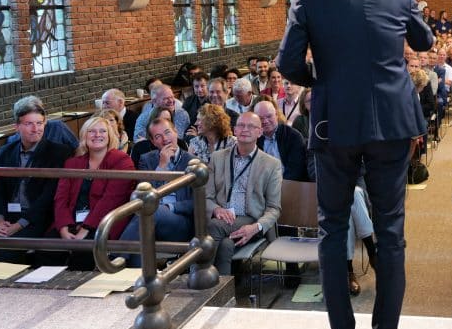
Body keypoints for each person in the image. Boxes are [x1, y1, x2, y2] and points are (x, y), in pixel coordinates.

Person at [276, 0, 434, 329]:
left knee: (331, 229)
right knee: (390, 232)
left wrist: (323, 81)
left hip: (334, 126)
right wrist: (412, 11)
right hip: (390, 125)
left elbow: (287, 65)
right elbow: (423, 43)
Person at [0, 97, 72, 262]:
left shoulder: (59, 153)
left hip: (36, 217)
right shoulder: (5, 151)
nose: (36, 129)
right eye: (29, 124)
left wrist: (18, 226)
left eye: (39, 123)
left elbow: (48, 198)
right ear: (17, 127)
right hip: (7, 216)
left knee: (6, 252)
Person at [205, 112, 283, 277]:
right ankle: (224, 297)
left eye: (251, 126)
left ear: (259, 132)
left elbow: (274, 208)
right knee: (226, 245)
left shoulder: (271, 164)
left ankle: (199, 277)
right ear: (234, 130)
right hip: (223, 217)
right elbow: (206, 197)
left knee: (213, 226)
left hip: (252, 219)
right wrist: (217, 210)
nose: (245, 129)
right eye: (241, 125)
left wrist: (256, 227)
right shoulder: (217, 158)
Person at [51, 116, 136, 268]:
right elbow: (60, 199)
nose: (97, 135)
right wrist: (63, 227)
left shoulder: (122, 161)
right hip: (71, 221)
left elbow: (110, 200)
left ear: (110, 136)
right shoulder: (72, 163)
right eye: (92, 131)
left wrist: (86, 228)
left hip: (103, 222)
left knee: (83, 252)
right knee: (47, 249)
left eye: (103, 131)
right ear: (84, 136)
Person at [119, 117, 196, 266]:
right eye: (158, 136)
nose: (165, 139)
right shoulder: (146, 160)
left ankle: (115, 257)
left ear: (176, 132)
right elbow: (143, 194)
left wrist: (169, 208)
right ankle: (138, 280)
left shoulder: (192, 161)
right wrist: (161, 167)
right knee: (143, 232)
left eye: (167, 132)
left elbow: (196, 202)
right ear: (153, 142)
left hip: (179, 222)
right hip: (150, 220)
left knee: (151, 212)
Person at [254, 98, 308, 181]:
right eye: (260, 118)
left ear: (276, 115)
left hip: (287, 186)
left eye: (269, 116)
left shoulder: (293, 136)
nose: (265, 121)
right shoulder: (254, 138)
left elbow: (295, 171)